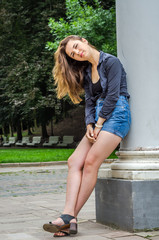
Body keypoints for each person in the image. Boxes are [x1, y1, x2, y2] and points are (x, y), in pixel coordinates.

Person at [43, 35, 131, 237]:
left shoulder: (111, 62)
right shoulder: (87, 71)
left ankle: (68, 217)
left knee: (91, 162)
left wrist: (99, 123)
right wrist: (89, 125)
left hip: (117, 115)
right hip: (99, 120)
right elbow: (90, 103)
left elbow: (113, 95)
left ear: (83, 40)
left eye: (76, 47)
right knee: (74, 161)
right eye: (73, 54)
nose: (78, 53)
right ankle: (68, 217)